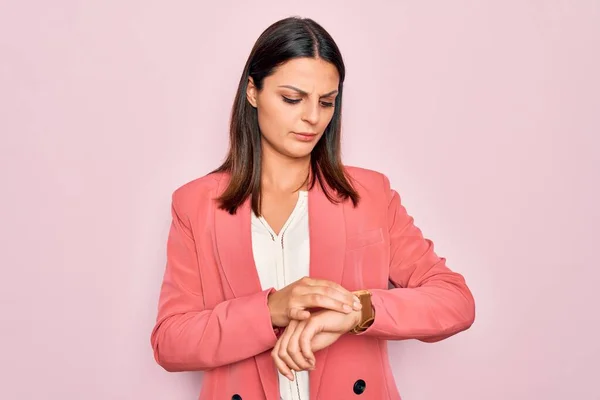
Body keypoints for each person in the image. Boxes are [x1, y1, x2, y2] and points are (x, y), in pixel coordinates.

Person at [150, 16, 475, 400]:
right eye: (292, 99)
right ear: (252, 91)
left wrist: (358, 311)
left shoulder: (369, 194)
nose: (313, 117)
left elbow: (455, 300)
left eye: (326, 102)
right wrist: (270, 310)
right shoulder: (196, 204)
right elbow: (170, 342)